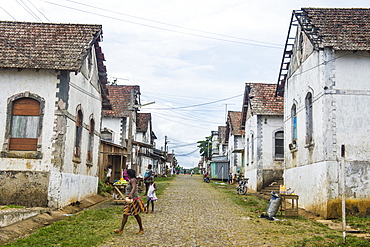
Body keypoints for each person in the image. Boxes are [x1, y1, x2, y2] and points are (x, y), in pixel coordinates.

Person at [114, 169, 145, 234]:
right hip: (129, 200)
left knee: (136, 215)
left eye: (127, 173)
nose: (126, 175)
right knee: (125, 214)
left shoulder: (133, 180)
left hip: (133, 200)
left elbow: (134, 187)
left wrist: (131, 194)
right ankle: (121, 229)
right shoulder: (130, 180)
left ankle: (141, 228)